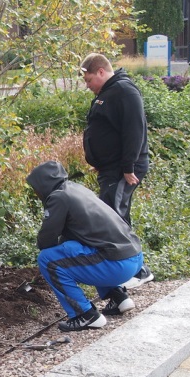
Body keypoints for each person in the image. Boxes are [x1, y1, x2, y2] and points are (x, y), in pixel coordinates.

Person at [26, 161, 145, 332]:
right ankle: (118, 297)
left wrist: (53, 269)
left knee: (48, 260)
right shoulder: (76, 189)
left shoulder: (58, 197)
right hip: (134, 257)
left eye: (35, 188)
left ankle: (86, 315)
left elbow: (46, 240)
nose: (36, 193)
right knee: (79, 247)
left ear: (42, 184)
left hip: (117, 265)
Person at [80, 53, 153, 290]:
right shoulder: (108, 93)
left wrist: (128, 166)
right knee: (114, 216)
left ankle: (139, 271)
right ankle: (129, 269)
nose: (87, 85)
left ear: (101, 72)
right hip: (111, 169)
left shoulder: (124, 91)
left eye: (89, 80)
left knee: (115, 219)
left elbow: (135, 131)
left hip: (124, 170)